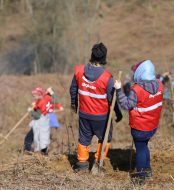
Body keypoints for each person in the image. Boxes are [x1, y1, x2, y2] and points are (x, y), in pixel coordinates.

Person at [70, 42, 122, 172]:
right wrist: (118, 113)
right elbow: (112, 100)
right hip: (101, 117)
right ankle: (98, 162)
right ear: (104, 57)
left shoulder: (79, 70)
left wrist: (74, 104)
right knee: (105, 138)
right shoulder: (107, 78)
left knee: (84, 138)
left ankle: (82, 164)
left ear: (92, 55)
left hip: (84, 114)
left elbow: (73, 89)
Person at [114, 60, 163, 183]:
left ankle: (141, 176)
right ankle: (147, 170)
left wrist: (119, 90)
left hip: (140, 126)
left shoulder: (137, 90)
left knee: (140, 149)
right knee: (144, 146)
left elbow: (126, 105)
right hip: (152, 125)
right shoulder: (160, 84)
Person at [26, 87, 52, 155]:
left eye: (34, 95)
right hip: (44, 122)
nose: (34, 97)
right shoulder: (43, 100)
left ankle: (27, 151)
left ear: (39, 95)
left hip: (39, 123)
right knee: (42, 138)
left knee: (30, 138)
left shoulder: (41, 103)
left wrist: (31, 111)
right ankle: (43, 153)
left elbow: (37, 116)